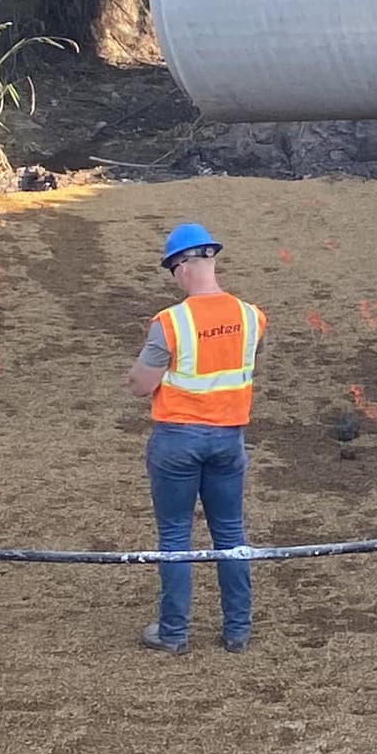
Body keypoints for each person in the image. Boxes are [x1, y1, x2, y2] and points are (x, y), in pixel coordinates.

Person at [123, 222, 262, 653]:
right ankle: (237, 630)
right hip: (229, 440)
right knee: (230, 534)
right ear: (212, 260)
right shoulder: (251, 317)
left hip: (178, 441)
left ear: (181, 267)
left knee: (175, 537)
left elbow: (141, 384)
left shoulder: (170, 323)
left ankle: (174, 632)